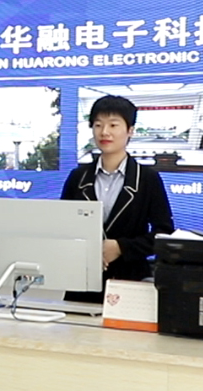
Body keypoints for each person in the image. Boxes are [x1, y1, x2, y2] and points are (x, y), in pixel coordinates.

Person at [60, 95, 176, 287]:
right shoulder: (78, 177)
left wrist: (121, 247)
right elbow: (63, 227)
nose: (104, 132)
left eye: (113, 125)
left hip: (130, 280)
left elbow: (164, 233)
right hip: (82, 279)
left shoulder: (147, 179)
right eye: (98, 125)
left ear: (130, 130)